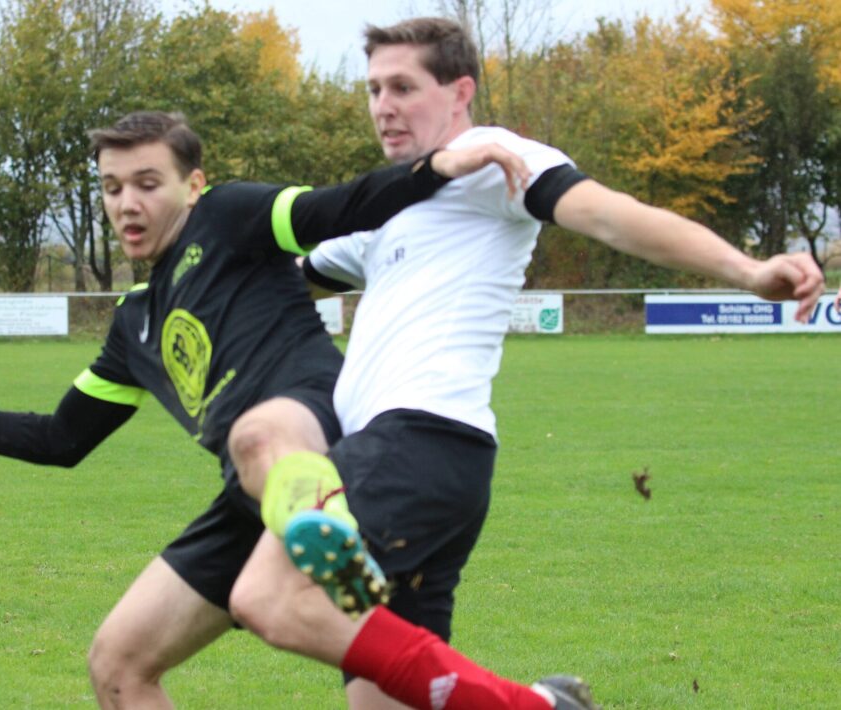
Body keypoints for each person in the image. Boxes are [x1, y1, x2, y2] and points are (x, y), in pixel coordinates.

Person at [0, 111, 591, 709]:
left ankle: (327, 529)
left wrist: (437, 167)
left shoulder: (230, 219)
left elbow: (340, 206)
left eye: (147, 183)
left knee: (259, 435)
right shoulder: (133, 324)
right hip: (251, 498)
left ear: (193, 185)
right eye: (112, 187)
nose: (128, 203)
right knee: (118, 664)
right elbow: (60, 438)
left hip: (325, 445)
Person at [228, 16, 826, 710]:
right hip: (428, 461)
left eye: (402, 87)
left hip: (415, 441)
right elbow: (278, 282)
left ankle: (538, 706)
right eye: (373, 89)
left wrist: (746, 271)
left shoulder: (494, 158)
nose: (383, 106)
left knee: (269, 596)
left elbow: (611, 216)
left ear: (460, 92)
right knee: (385, 699)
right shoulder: (386, 209)